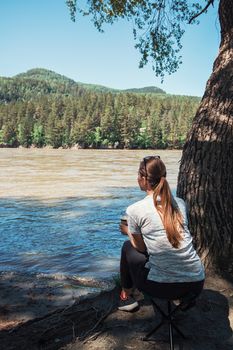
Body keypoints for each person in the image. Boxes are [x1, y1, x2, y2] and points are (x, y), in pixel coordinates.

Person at [118, 155, 205, 311]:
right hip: (196, 284)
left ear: (144, 179)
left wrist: (128, 232)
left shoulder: (134, 210)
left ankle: (126, 297)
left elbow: (142, 249)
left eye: (138, 175)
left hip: (161, 287)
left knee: (127, 247)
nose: (137, 178)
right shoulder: (179, 203)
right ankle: (183, 297)